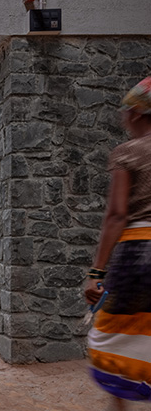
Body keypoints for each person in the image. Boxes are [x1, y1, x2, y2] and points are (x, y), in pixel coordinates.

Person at [85, 75, 151, 409]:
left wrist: (97, 271)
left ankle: (120, 405)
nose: (122, 118)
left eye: (125, 112)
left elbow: (116, 215)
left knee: (115, 333)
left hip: (139, 253)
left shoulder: (128, 153)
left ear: (138, 114)